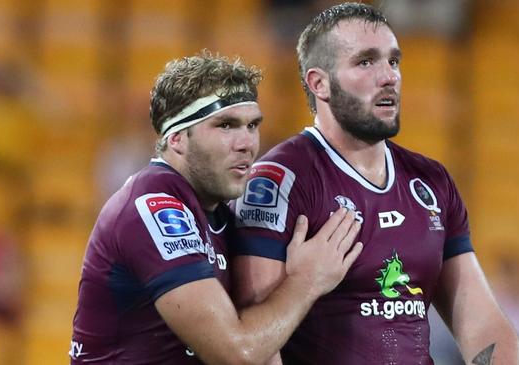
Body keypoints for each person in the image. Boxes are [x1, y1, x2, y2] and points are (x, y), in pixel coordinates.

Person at [232, 3, 519, 364]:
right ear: (318, 83)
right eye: (366, 62)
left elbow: (482, 322)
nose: (389, 76)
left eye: (393, 61)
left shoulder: (431, 181)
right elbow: (253, 347)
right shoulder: (277, 182)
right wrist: (305, 283)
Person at [69, 51, 363, 364]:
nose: (247, 143)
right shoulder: (152, 207)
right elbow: (236, 354)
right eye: (226, 125)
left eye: (252, 125)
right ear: (178, 137)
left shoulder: (222, 217)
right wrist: (308, 280)